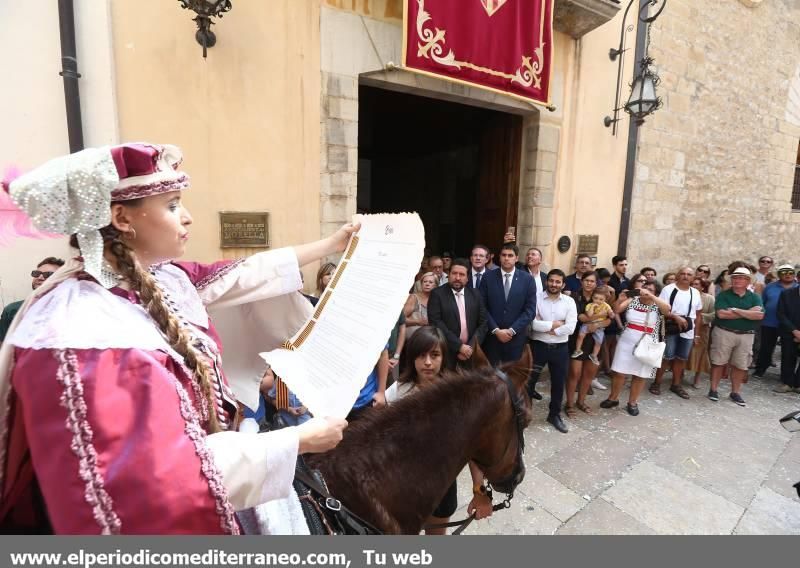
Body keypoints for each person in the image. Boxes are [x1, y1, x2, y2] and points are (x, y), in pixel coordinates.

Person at [0, 143, 349, 534]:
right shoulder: (84, 329)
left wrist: (331, 245)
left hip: (219, 472)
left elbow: (243, 273)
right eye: (172, 205)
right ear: (121, 218)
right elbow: (151, 475)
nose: (187, 217)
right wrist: (294, 442)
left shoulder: (161, 278)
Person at [384, 326, 493, 533]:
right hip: (403, 485)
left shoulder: (457, 397)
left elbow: (472, 450)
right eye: (421, 355)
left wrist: (480, 491)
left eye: (434, 355)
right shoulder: (398, 392)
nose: (427, 362)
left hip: (442, 485)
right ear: (412, 357)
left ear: (444, 357)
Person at [600, 287, 671, 416]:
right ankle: (613, 398)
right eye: (644, 289)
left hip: (647, 341)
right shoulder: (633, 300)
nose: (645, 292)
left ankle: (632, 402)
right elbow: (616, 311)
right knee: (619, 372)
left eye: (650, 289)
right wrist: (620, 299)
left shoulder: (658, 303)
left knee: (640, 374)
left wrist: (652, 296)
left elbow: (667, 310)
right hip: (627, 339)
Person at [528, 269, 577, 433]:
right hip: (538, 347)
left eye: (558, 282)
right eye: (551, 281)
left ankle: (554, 415)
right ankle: (524, 414)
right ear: (546, 281)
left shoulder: (569, 302)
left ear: (563, 284)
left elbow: (570, 327)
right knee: (529, 382)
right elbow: (533, 324)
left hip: (560, 349)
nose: (554, 284)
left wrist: (550, 329)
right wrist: (555, 324)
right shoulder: (535, 299)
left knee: (558, 383)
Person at [708, 267, 764, 406]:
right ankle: (713, 389)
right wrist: (748, 312)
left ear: (747, 281)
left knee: (740, 364)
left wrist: (735, 310)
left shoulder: (754, 297)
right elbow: (721, 314)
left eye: (741, 278)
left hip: (746, 335)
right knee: (718, 362)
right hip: (724, 332)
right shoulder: (724, 295)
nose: (737, 280)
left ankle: (735, 392)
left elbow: (759, 315)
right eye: (735, 278)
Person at [480, 244, 537, 366]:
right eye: (504, 255)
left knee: (512, 379)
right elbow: (481, 307)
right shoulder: (487, 277)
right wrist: (496, 330)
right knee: (491, 378)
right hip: (492, 339)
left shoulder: (527, 279)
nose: (506, 258)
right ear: (499, 257)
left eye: (510, 255)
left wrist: (512, 330)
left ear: (516, 258)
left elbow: (530, 311)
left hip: (515, 340)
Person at [651, 267, 703, 399]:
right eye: (683, 274)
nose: (685, 276)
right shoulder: (668, 289)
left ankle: (676, 384)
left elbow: (698, 314)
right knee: (667, 356)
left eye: (689, 274)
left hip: (688, 329)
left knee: (682, 358)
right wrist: (675, 317)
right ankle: (656, 383)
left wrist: (696, 334)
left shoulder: (695, 292)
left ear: (693, 277)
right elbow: (661, 309)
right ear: (678, 275)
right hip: (671, 326)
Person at [428, 259, 488, 370]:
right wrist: (459, 346)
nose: (458, 278)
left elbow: (483, 323)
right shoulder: (437, 294)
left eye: (462, 274)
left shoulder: (475, 294)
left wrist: (469, 348)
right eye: (454, 273)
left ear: (467, 278)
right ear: (448, 275)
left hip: (471, 353)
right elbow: (436, 323)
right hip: (446, 352)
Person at [565, 271, 611, 416]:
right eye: (586, 280)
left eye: (592, 281)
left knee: (588, 374)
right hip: (577, 339)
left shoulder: (601, 297)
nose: (589, 283)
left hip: (595, 341)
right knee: (574, 374)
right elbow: (582, 317)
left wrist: (598, 325)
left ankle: (581, 402)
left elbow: (610, 319)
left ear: (596, 283)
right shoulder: (574, 297)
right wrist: (599, 318)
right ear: (582, 281)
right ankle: (569, 404)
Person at [0, 256, 65, 343]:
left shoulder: (70, 309)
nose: (40, 277)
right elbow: (3, 345)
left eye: (48, 274)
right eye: (37, 273)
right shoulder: (12, 309)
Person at [755, 264, 798, 381]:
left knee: (788, 350)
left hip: (789, 324)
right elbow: (762, 302)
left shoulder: (797, 288)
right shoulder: (770, 287)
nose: (788, 275)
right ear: (779, 274)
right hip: (770, 322)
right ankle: (760, 369)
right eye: (784, 272)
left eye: (790, 273)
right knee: (766, 347)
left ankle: (786, 376)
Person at [571, 288, 617, 366]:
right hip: (588, 323)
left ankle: (594, 355)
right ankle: (578, 350)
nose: (598, 301)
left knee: (598, 341)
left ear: (605, 300)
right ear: (592, 298)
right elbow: (588, 315)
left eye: (601, 299)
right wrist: (593, 307)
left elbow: (611, 314)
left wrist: (611, 314)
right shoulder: (589, 305)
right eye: (595, 298)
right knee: (580, 335)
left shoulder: (606, 306)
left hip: (599, 326)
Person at [687, 277, 715, 389]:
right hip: (686, 328)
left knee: (701, 353)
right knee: (685, 352)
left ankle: (697, 378)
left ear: (702, 287)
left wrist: (699, 318)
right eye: (692, 284)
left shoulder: (709, 298)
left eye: (696, 284)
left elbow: (714, 313)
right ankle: (679, 375)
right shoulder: (686, 296)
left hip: (702, 330)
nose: (694, 286)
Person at [777, 283, 800, 394]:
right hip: (789, 331)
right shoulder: (786, 294)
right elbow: (781, 314)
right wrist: (794, 331)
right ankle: (787, 383)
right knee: (787, 357)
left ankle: (798, 384)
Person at [404, 272, 436, 341]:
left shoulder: (436, 300)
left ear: (436, 285)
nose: (427, 284)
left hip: (429, 336)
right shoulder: (414, 298)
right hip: (412, 337)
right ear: (421, 284)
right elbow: (401, 319)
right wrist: (417, 321)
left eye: (430, 282)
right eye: (425, 282)